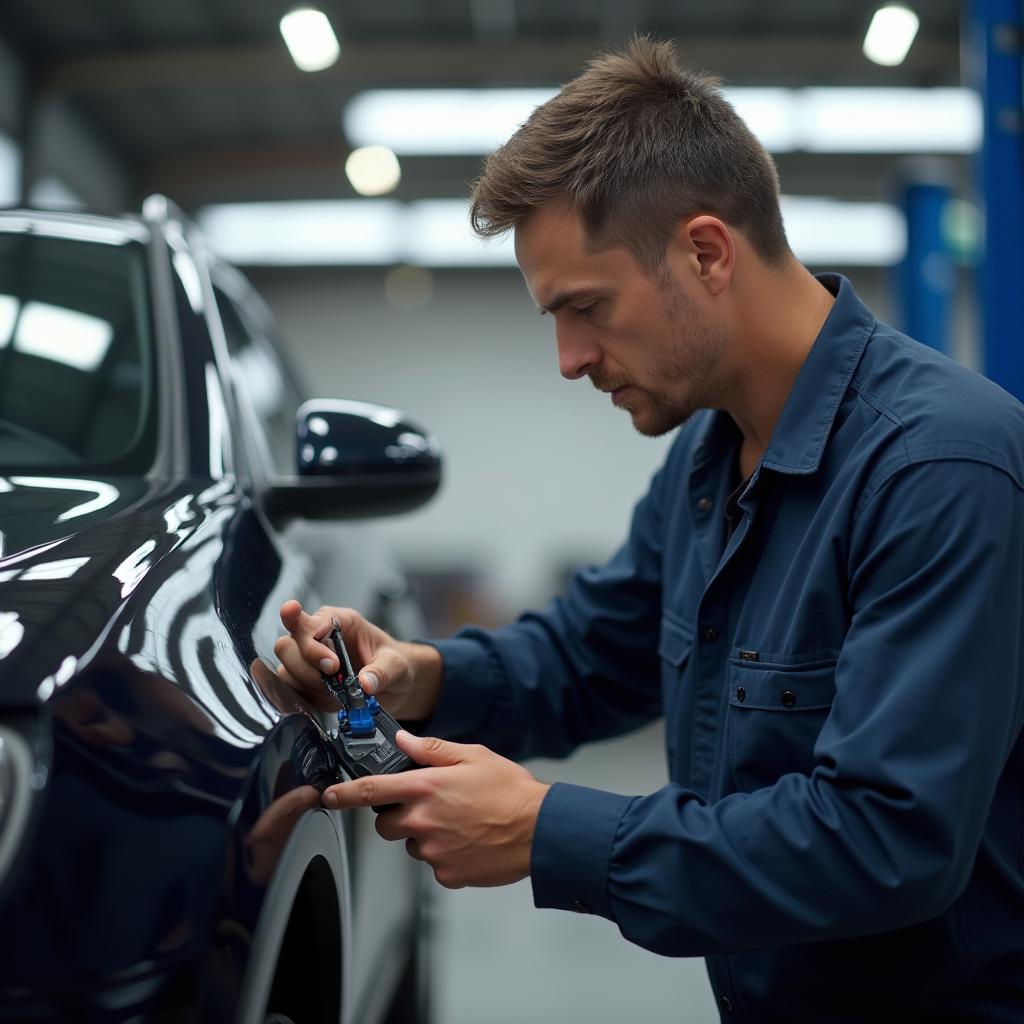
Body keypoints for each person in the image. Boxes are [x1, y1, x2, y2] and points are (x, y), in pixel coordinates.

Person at [274, 37, 1024, 1022]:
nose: (569, 358)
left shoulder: (938, 469)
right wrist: (424, 675)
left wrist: (550, 831)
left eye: (585, 308)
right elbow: (595, 647)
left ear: (706, 251)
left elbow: (885, 840)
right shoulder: (713, 453)